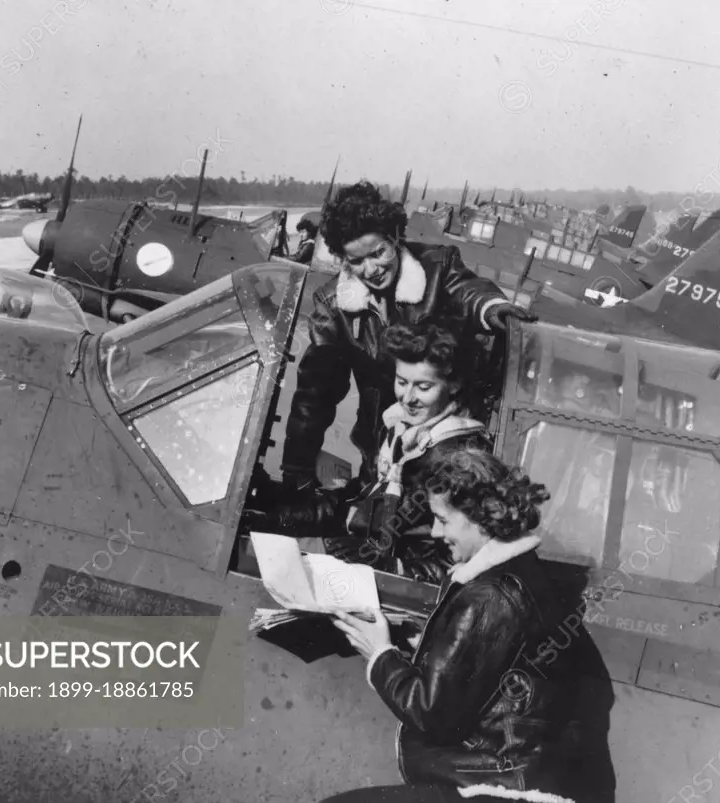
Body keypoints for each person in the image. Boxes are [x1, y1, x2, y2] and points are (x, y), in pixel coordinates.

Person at [322, 448, 617, 803]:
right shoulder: (526, 574)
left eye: (443, 520)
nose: (434, 532)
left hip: (509, 790)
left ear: (481, 517)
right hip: (543, 783)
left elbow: (432, 713)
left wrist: (380, 654)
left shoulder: (492, 594)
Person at [280, 180, 535, 493]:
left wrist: (494, 310)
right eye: (356, 261)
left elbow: (469, 292)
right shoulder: (333, 305)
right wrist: (297, 468)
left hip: (448, 439)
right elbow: (314, 393)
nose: (371, 269)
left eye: (378, 253)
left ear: (395, 237)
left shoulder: (438, 266)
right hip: (382, 446)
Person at [250, 319, 491, 583]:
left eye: (423, 387)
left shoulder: (459, 458)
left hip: (399, 586)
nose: (407, 398)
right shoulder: (401, 430)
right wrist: (277, 517)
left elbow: (458, 562)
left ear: (454, 385)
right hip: (367, 559)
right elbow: (358, 503)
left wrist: (391, 565)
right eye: (402, 382)